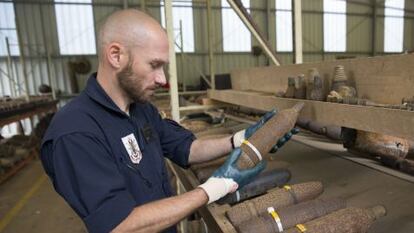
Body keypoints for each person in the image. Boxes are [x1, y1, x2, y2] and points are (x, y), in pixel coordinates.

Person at [40, 9, 296, 233]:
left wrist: (239, 139)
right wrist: (213, 189)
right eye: (154, 65)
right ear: (116, 56)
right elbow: (119, 226)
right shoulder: (75, 133)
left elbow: (187, 148)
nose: (163, 79)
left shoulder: (141, 109)